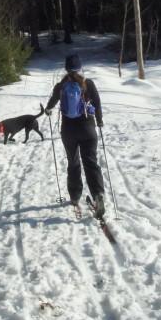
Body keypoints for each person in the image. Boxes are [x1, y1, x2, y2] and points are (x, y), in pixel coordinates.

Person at [45, 53, 105, 216]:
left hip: (69, 131)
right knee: (91, 162)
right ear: (80, 68)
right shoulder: (88, 84)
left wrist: (48, 110)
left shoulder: (61, 86)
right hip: (88, 129)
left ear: (66, 69)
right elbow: (97, 103)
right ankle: (98, 194)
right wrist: (99, 121)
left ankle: (74, 196)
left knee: (73, 162)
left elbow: (51, 102)